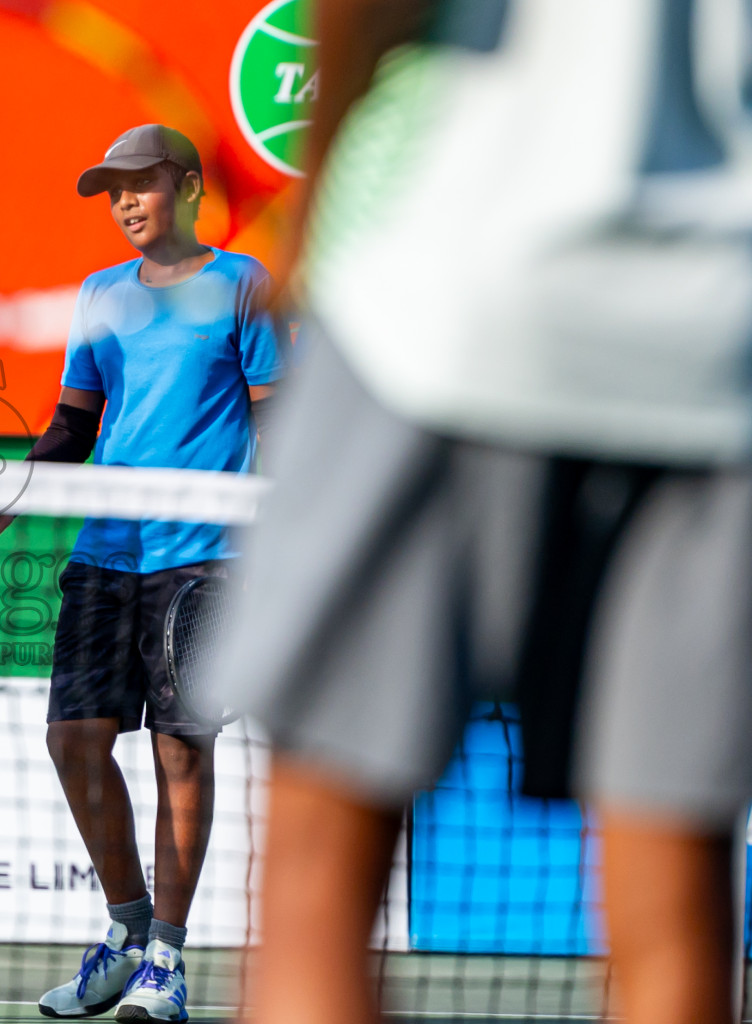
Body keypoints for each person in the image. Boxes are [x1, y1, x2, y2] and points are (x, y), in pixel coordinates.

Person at [226, 1, 752, 1022]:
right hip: (723, 345)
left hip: (438, 309)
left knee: (312, 884)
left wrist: (313, 200)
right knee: (678, 894)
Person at [0, 124, 286, 1022]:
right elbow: (73, 426)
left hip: (205, 559)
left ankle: (168, 965)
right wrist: (1, 507)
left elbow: (278, 420)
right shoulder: (100, 295)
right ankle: (128, 931)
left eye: (138, 185)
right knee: (74, 741)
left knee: (181, 753)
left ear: (185, 185)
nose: (124, 202)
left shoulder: (243, 283)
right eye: (112, 192)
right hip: (107, 554)